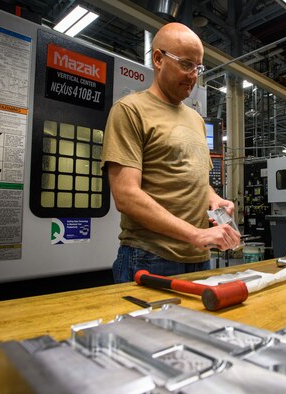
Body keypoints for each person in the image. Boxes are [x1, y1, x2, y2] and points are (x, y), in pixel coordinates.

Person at [101, 22, 240, 283]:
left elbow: (196, 179)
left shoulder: (196, 119)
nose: (193, 75)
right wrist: (196, 234)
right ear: (158, 59)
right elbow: (126, 195)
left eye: (198, 68)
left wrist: (214, 199)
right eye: (186, 64)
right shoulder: (130, 110)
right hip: (151, 257)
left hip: (199, 256)